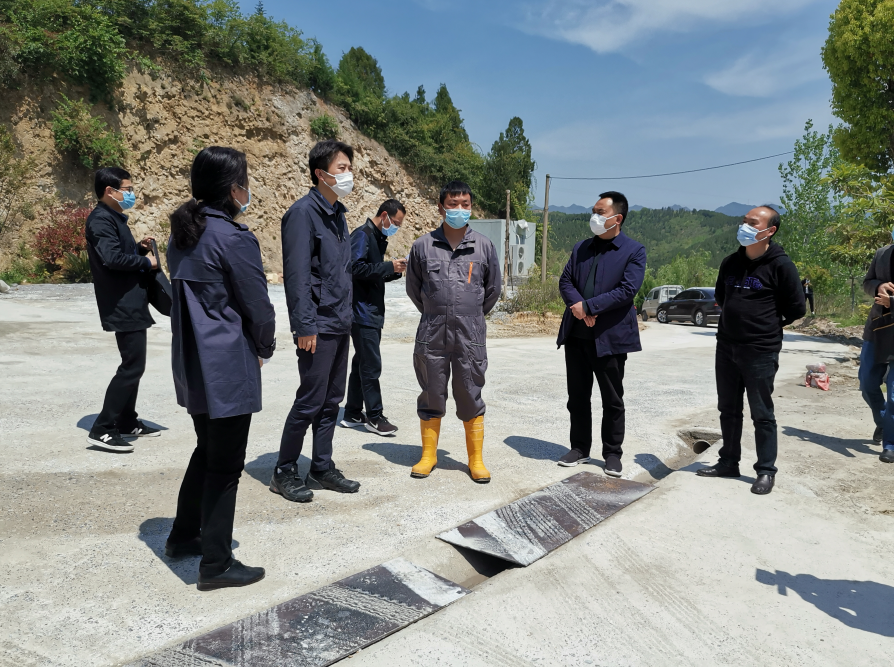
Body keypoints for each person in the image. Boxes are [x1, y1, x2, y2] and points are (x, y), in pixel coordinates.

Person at [164, 146, 275, 591]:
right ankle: (216, 563)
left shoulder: (183, 234)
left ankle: (183, 536)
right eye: (245, 180)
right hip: (226, 364)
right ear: (233, 189)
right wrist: (264, 346)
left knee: (205, 451)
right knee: (226, 464)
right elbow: (258, 306)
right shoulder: (233, 238)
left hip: (192, 361)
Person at [271, 140, 361, 503]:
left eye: (349, 167)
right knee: (310, 400)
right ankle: (284, 470)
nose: (348, 174)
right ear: (319, 173)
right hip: (317, 325)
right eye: (341, 168)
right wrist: (304, 325)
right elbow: (296, 277)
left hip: (340, 322)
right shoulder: (302, 214)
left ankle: (321, 467)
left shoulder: (338, 214)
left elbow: (340, 272)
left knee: (331, 401)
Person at [697, 206, 806, 494]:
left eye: (752, 222)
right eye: (744, 221)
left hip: (760, 349)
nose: (744, 225)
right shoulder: (730, 262)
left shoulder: (781, 265)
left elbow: (796, 308)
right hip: (727, 346)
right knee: (728, 409)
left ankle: (765, 471)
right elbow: (722, 295)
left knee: (762, 413)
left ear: (769, 231)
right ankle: (729, 462)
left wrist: (765, 325)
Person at [406, 181, 501, 483]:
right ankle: (428, 456)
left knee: (470, 392)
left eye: (465, 204)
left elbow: (493, 289)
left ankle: (475, 460)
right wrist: (437, 312)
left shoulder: (484, 246)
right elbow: (413, 289)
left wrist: (469, 315)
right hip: (432, 332)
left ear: (471, 207)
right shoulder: (422, 246)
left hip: (469, 333)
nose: (459, 209)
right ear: (441, 207)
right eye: (453, 203)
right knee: (431, 392)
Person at [555, 191, 646, 477]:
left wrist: (590, 306)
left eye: (600, 211)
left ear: (617, 218)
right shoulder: (581, 247)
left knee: (612, 398)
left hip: (610, 337)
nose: (594, 216)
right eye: (593, 210)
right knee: (577, 396)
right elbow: (566, 280)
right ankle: (580, 447)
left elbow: (627, 291)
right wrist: (578, 307)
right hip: (577, 335)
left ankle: (612, 453)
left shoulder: (633, 251)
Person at [84, 167, 160, 453]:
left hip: (131, 300)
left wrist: (139, 250)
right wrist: (147, 263)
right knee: (132, 365)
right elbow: (112, 259)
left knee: (134, 365)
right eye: (126, 188)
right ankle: (102, 428)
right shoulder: (101, 220)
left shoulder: (114, 218)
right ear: (109, 191)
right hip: (121, 303)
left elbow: (121, 253)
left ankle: (127, 420)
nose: (130, 193)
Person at [340, 199, 407, 436]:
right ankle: (375, 416)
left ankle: (352, 412)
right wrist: (388, 266)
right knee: (371, 365)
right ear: (385, 215)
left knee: (361, 362)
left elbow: (372, 273)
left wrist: (394, 271)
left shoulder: (377, 238)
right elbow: (355, 269)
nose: (396, 227)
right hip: (362, 313)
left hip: (370, 312)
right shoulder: (363, 235)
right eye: (395, 223)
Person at [858, 237, 894, 462]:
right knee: (867, 383)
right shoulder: (882, 253)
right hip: (877, 330)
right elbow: (867, 282)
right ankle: (884, 423)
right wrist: (878, 286)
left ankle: (890, 444)